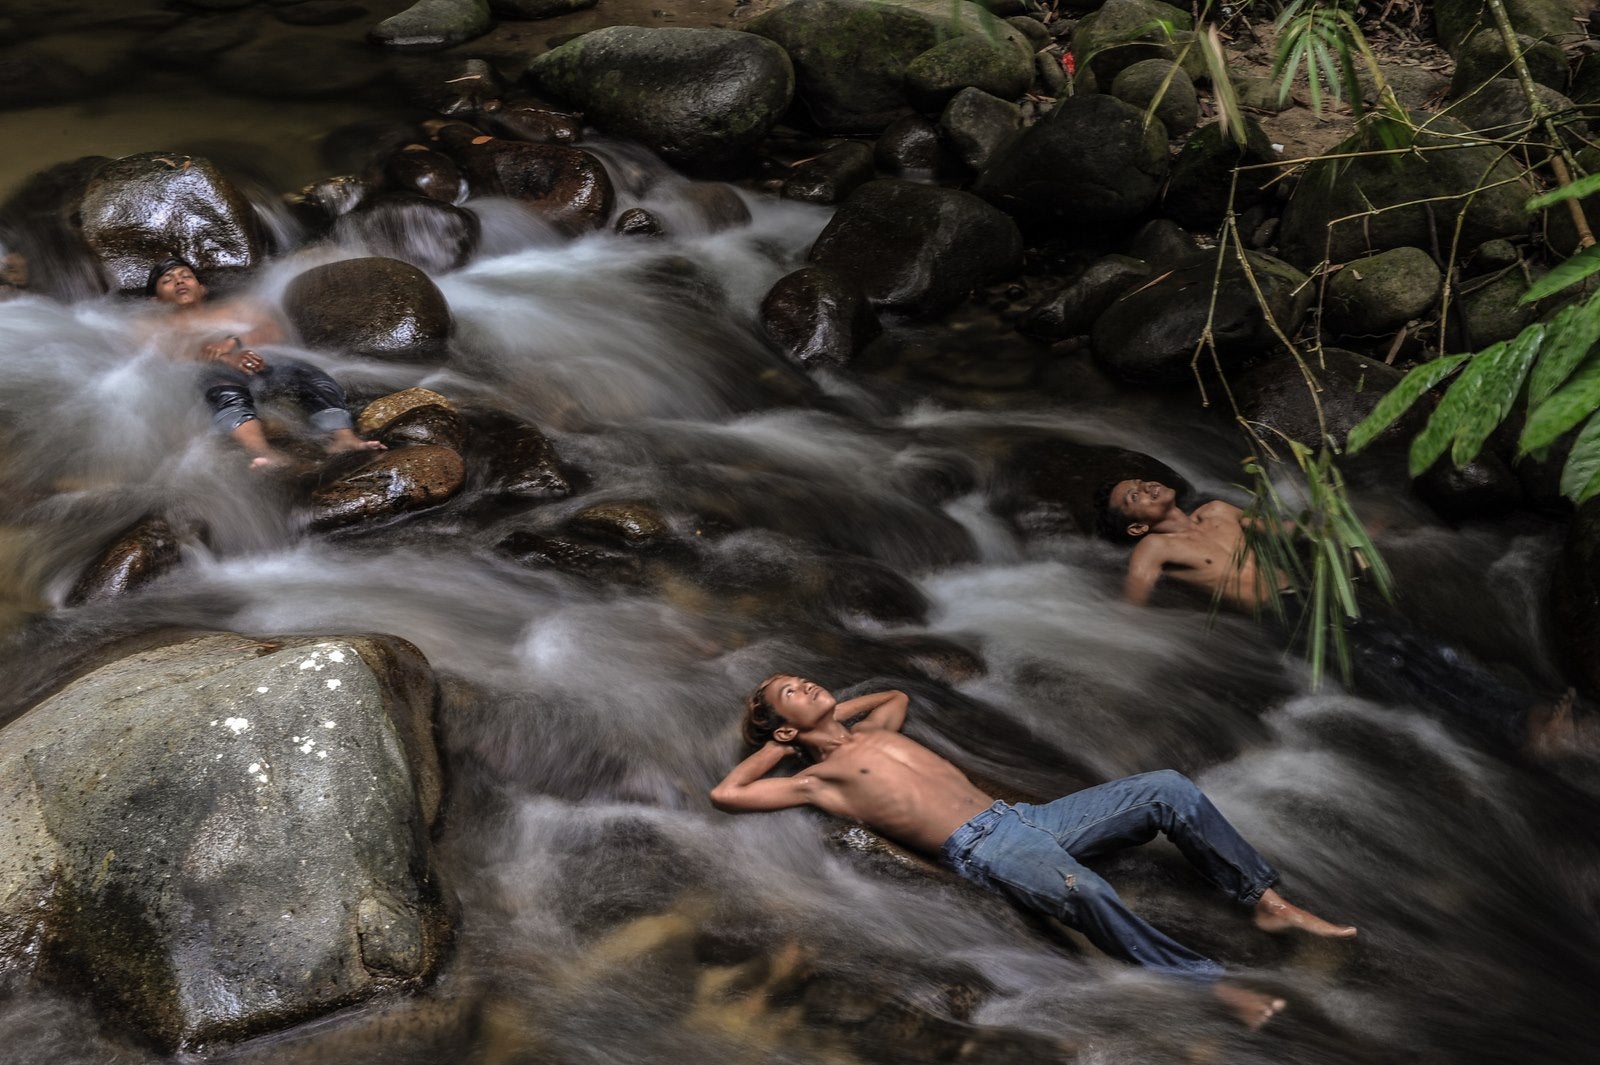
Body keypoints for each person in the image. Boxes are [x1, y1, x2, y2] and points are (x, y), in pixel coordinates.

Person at [710, 674, 1358, 1028]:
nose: (806, 683)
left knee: (1168, 788)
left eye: (802, 677)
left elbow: (896, 696)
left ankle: (1266, 898)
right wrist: (784, 739)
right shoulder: (815, 779)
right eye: (789, 691)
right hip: (983, 850)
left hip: (1023, 817)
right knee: (1089, 891)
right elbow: (728, 792)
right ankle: (1208, 987)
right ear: (786, 724)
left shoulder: (870, 731)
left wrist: (819, 715)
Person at [1093, 477, 1594, 757]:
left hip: (1314, 595)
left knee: (1423, 647)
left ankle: (1529, 712)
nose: (1144, 486)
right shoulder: (1154, 549)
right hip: (1281, 617)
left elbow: (1286, 531)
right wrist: (1126, 649)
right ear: (1137, 526)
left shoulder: (1220, 510)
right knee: (1396, 671)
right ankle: (1517, 730)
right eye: (1132, 496)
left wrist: (1352, 534)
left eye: (1140, 481)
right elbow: (1132, 608)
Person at [146, 257, 385, 469]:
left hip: (257, 364)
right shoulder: (153, 327)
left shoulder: (230, 310)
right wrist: (225, 359)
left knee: (307, 373)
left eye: (186, 276)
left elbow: (273, 330)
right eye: (168, 280)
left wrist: (234, 343)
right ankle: (262, 453)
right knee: (221, 384)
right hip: (206, 377)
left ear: (202, 288)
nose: (179, 281)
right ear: (155, 301)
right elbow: (166, 355)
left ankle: (343, 438)